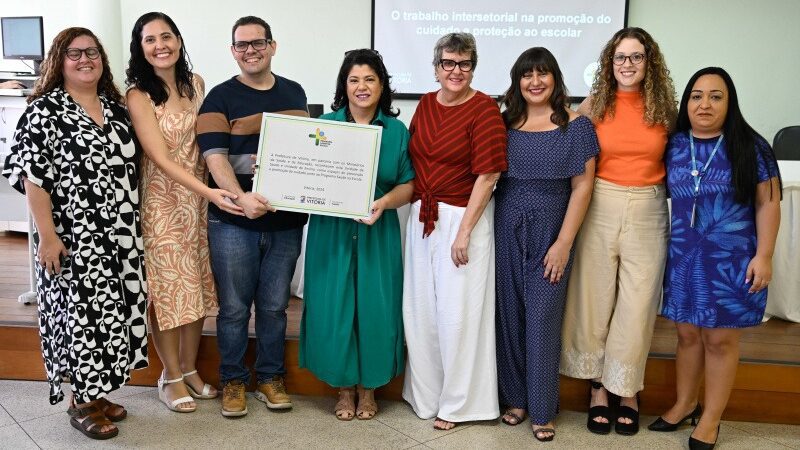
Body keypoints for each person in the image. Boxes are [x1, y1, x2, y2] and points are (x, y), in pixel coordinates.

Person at [2, 27, 147, 440]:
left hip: (119, 235)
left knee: (112, 315)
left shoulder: (116, 109)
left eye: (93, 52)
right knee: (79, 317)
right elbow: (33, 179)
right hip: (72, 236)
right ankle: (80, 402)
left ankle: (97, 392)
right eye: (74, 53)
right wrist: (48, 236)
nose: (85, 59)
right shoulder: (44, 111)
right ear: (59, 61)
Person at [648, 67, 782, 450]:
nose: (704, 104)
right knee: (687, 333)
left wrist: (765, 255)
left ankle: (711, 418)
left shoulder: (750, 146)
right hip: (685, 255)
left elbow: (768, 203)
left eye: (715, 96)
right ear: (686, 102)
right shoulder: (673, 144)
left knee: (720, 339)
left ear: (730, 102)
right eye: (696, 95)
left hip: (731, 259)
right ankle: (684, 404)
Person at [560, 27, 677, 436]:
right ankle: (597, 389)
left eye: (636, 57)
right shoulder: (596, 103)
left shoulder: (665, 108)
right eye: (620, 57)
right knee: (594, 294)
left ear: (649, 63)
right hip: (600, 202)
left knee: (638, 300)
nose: (627, 64)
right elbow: (566, 143)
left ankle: (628, 390)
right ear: (610, 63)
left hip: (648, 206)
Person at [125, 12, 244, 413]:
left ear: (178, 40)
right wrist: (209, 191)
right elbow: (158, 158)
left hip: (198, 202)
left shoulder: (196, 84)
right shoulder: (138, 95)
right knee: (169, 292)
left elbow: (208, 143)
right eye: (150, 39)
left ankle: (191, 369)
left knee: (195, 286)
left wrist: (220, 188)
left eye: (167, 36)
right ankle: (169, 376)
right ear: (139, 48)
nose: (160, 45)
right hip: (161, 203)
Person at [196, 15, 308, 418]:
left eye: (258, 43)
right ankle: (233, 381)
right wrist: (243, 198)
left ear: (272, 46)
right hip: (233, 223)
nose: (250, 50)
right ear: (233, 51)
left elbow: (305, 154)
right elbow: (214, 158)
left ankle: (270, 378)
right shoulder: (218, 99)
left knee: (276, 306)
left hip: (285, 221)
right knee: (234, 309)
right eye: (242, 45)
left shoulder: (295, 92)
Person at [299, 49, 414, 421]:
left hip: (376, 233)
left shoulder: (396, 131)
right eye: (354, 80)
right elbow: (304, 176)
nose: (361, 87)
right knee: (333, 308)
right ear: (343, 86)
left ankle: (369, 390)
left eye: (369, 79)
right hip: (330, 233)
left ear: (382, 86)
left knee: (375, 309)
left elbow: (409, 185)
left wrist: (382, 203)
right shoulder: (323, 127)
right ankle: (343, 390)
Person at [402, 32, 507, 431]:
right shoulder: (426, 105)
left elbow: (489, 174)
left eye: (464, 64)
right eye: (448, 63)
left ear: (473, 67)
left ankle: (460, 404)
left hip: (464, 219)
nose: (455, 70)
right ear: (436, 68)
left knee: (457, 316)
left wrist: (463, 233)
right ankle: (427, 396)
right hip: (422, 217)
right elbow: (412, 161)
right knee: (421, 313)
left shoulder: (485, 109)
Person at [495, 47, 598, 442]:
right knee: (510, 315)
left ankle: (542, 408)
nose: (534, 82)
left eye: (542, 74)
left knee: (542, 318)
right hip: (506, 225)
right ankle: (516, 399)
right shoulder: (504, 123)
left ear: (554, 78)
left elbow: (583, 186)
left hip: (552, 230)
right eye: (526, 75)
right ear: (517, 81)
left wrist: (564, 243)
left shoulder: (577, 127)